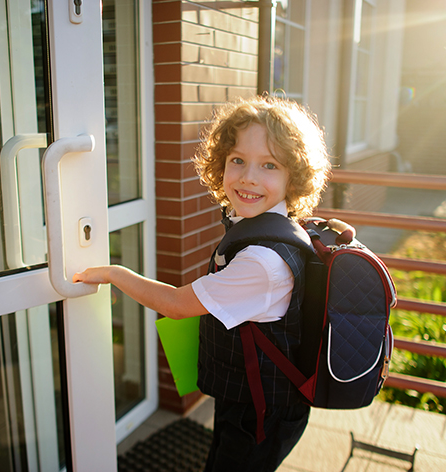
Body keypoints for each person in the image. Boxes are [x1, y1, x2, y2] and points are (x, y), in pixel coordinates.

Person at [73, 95, 331, 471]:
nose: (248, 177)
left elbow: (176, 306)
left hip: (260, 412)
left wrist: (115, 273)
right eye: (237, 160)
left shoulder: (262, 261)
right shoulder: (267, 226)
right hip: (255, 399)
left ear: (294, 177)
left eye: (269, 165)